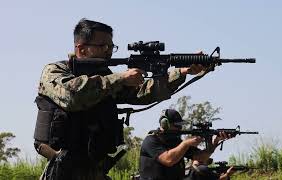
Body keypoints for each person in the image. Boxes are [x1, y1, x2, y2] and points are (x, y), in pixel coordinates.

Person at [34, 18, 206, 180]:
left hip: (94, 168)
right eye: (103, 46)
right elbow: (72, 95)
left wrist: (183, 71)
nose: (108, 52)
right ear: (81, 49)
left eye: (111, 46)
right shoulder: (55, 71)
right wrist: (120, 78)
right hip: (63, 169)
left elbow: (142, 93)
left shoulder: (105, 77)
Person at [139, 109, 232, 180]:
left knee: (201, 171)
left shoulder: (176, 142)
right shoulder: (151, 140)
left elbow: (201, 157)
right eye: (177, 125)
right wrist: (185, 144)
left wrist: (213, 144)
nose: (180, 128)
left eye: (180, 125)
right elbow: (168, 160)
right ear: (165, 124)